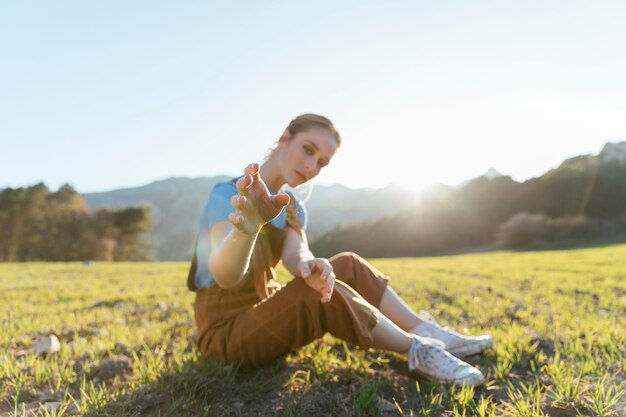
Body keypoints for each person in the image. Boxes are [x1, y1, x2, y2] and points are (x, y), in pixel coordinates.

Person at [188, 114, 493, 386]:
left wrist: (314, 265)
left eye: (322, 162)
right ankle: (417, 350)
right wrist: (249, 227)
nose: (311, 166)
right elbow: (225, 275)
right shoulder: (229, 194)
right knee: (316, 296)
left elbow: (298, 258)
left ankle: (428, 331)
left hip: (267, 315)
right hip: (227, 336)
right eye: (308, 149)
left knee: (345, 265)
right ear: (284, 139)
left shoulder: (292, 209)